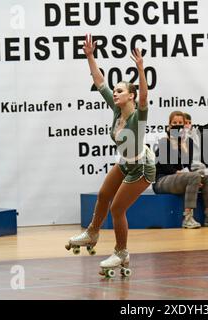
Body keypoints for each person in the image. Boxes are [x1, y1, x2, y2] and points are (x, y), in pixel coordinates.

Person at [66, 34, 156, 276]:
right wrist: (89, 55)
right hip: (126, 162)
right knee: (104, 195)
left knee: (117, 209)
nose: (114, 94)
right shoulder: (117, 110)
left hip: (142, 168)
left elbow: (145, 97)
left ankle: (121, 252)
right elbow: (99, 81)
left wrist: (141, 68)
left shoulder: (138, 116)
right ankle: (92, 232)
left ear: (131, 96)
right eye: (115, 91)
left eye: (120, 91)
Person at [153, 111, 208, 228]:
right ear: (169, 125)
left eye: (180, 123)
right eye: (174, 123)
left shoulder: (189, 143)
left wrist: (183, 146)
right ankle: (187, 217)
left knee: (207, 178)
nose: (177, 125)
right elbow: (166, 168)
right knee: (195, 176)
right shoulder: (164, 142)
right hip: (162, 180)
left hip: (180, 177)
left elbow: (187, 166)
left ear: (185, 124)